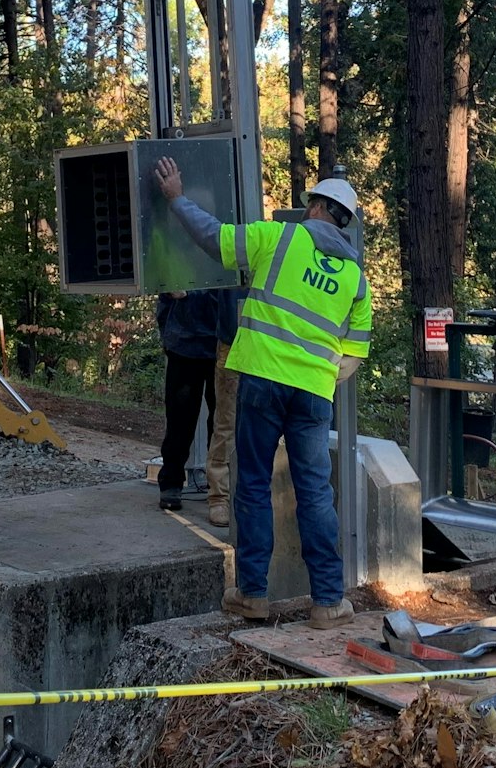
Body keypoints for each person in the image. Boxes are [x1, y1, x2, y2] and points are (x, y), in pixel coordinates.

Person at [153, 158, 371, 629]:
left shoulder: (281, 238)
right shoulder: (356, 278)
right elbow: (355, 353)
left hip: (261, 381)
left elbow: (215, 238)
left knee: (252, 484)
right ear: (345, 223)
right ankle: (329, 602)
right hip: (314, 395)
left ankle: (253, 594)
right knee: (315, 492)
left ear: (313, 205)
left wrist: (175, 197)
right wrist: (317, 375)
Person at [154, 286, 241, 514]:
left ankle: (218, 489)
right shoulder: (180, 251)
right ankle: (172, 482)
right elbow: (165, 288)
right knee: (180, 419)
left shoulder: (231, 254)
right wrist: (167, 332)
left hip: (224, 340)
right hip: (185, 341)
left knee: (222, 422)